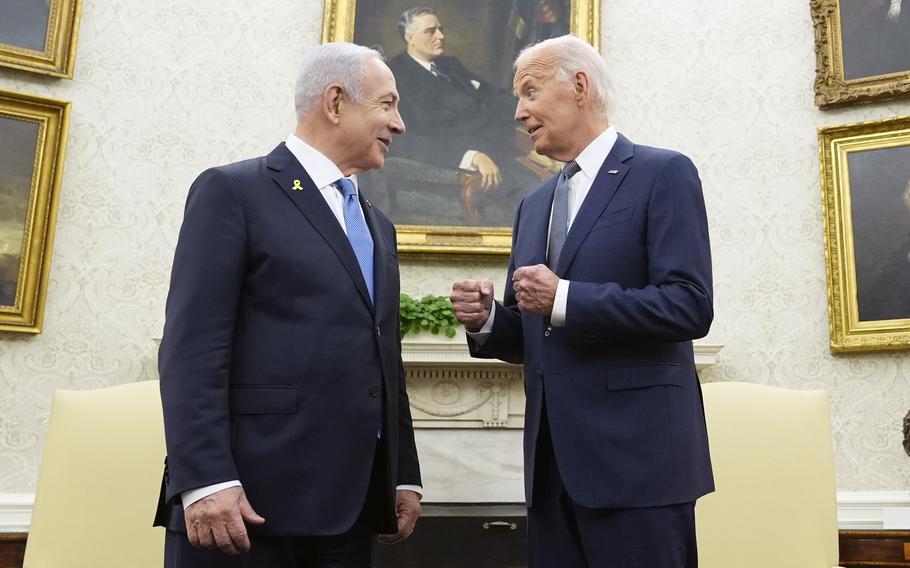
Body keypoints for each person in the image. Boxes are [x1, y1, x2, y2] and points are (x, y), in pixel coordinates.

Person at [154, 42, 422, 567]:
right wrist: (206, 480)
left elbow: (383, 357)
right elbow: (192, 348)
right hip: (247, 506)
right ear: (336, 101)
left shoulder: (377, 225)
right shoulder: (233, 192)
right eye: (388, 104)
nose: (400, 123)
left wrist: (402, 472)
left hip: (352, 508)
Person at [451, 35, 714, 567]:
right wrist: (487, 322)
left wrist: (566, 297)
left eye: (528, 92)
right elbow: (533, 332)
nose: (519, 111)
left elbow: (689, 305)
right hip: (551, 471)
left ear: (579, 85)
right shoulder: (532, 204)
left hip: (639, 466)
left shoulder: (663, 173)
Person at [386, 7, 544, 226]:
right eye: (431, 31)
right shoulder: (394, 75)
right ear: (409, 38)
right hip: (458, 161)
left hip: (499, 149)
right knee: (537, 193)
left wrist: (538, 106)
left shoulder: (449, 64)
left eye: (441, 29)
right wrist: (471, 156)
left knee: (546, 182)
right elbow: (405, 138)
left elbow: (493, 99)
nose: (441, 36)